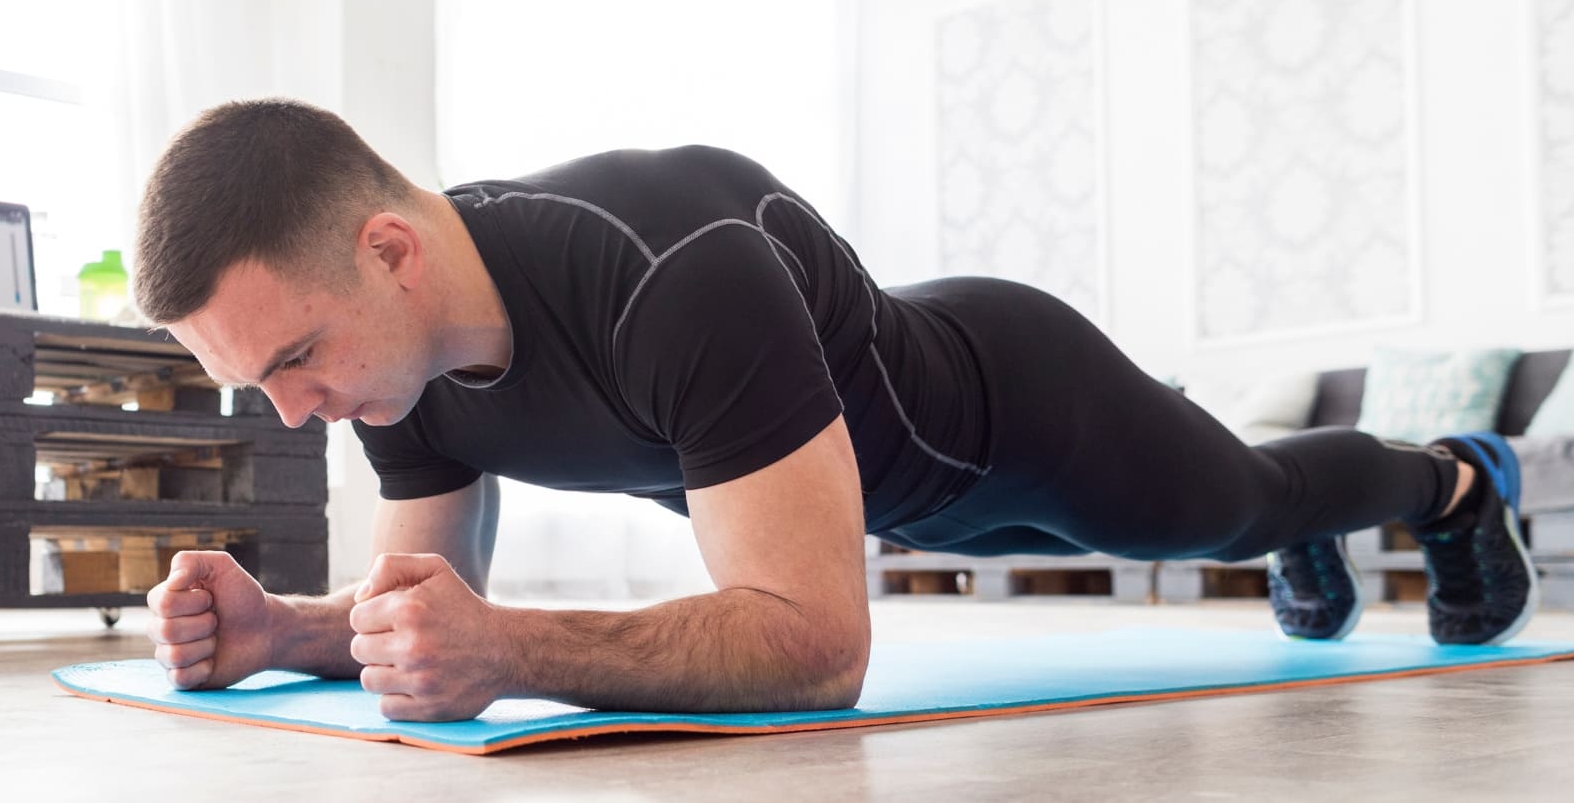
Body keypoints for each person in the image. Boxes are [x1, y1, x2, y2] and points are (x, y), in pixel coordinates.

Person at [133, 98, 1539, 723]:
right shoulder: (392, 364)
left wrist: (510, 646)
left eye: (297, 360)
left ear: (388, 251)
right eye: (265, 385)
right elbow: (420, 609)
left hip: (1015, 412)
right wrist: (283, 631)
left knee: (1242, 507)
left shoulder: (671, 263)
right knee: (1252, 506)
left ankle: (1454, 483)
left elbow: (815, 649)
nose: (303, 411)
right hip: (892, 487)